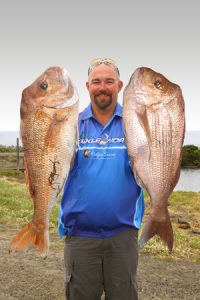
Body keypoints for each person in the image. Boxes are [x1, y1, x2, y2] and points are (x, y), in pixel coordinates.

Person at [58, 58, 145, 300]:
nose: (102, 87)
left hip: (123, 234)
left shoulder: (135, 124)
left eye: (109, 81)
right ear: (87, 86)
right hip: (80, 235)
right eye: (96, 81)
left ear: (119, 85)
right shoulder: (70, 124)